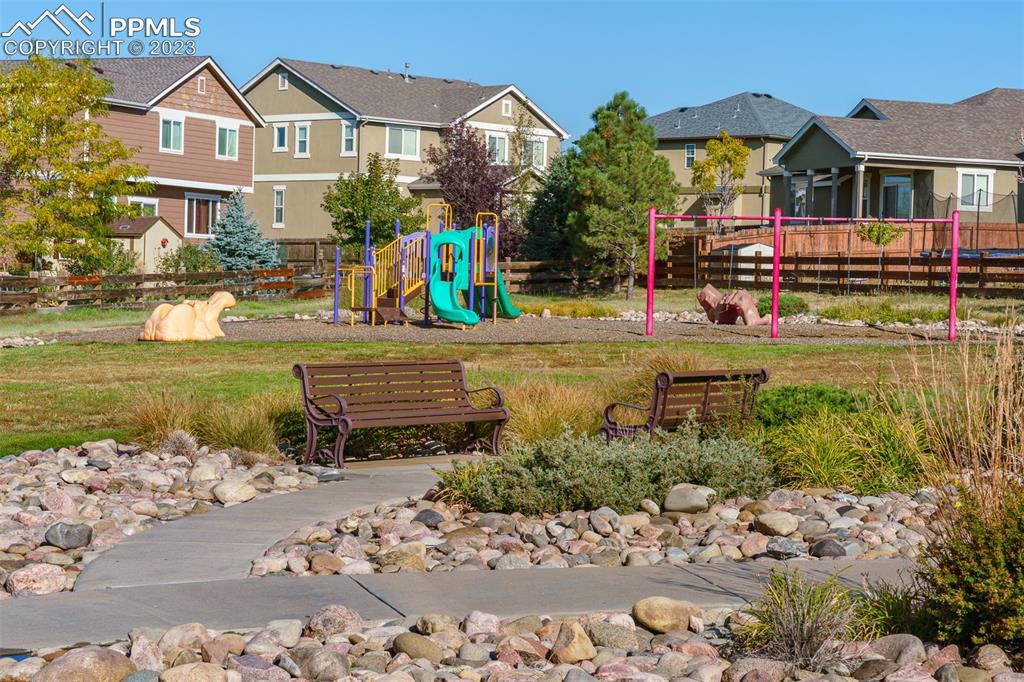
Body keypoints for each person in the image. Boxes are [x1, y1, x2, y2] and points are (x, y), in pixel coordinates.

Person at [696, 283, 771, 326]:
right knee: (741, 299)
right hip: (726, 306)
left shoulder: (720, 304)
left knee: (742, 299)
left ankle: (756, 320)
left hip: (730, 303)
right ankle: (757, 320)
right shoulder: (716, 307)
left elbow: (716, 317)